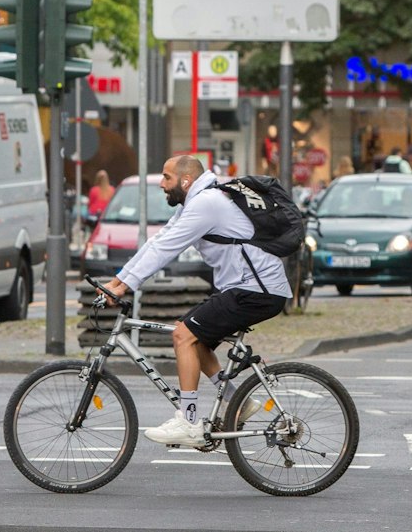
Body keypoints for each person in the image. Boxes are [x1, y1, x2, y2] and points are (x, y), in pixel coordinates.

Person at [100, 155, 293, 447]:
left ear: (186, 180)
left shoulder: (206, 203)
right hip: (247, 288)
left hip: (257, 290)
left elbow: (167, 249)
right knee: (196, 339)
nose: (162, 184)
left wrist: (125, 286)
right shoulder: (196, 202)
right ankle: (238, 402)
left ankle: (189, 423)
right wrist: (118, 281)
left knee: (183, 335)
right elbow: (157, 241)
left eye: (167, 178)